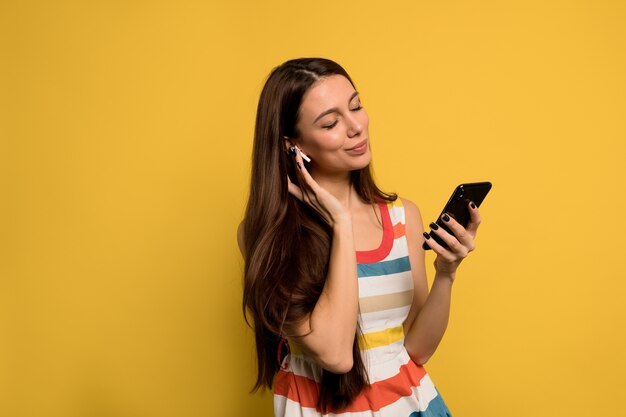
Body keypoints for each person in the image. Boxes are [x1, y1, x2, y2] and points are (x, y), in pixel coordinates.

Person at [237, 58, 482, 417]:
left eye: (356, 106)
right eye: (332, 122)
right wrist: (341, 222)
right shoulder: (268, 233)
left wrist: (447, 272)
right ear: (293, 145)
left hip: (408, 404)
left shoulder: (402, 217)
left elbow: (415, 351)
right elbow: (335, 355)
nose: (356, 127)